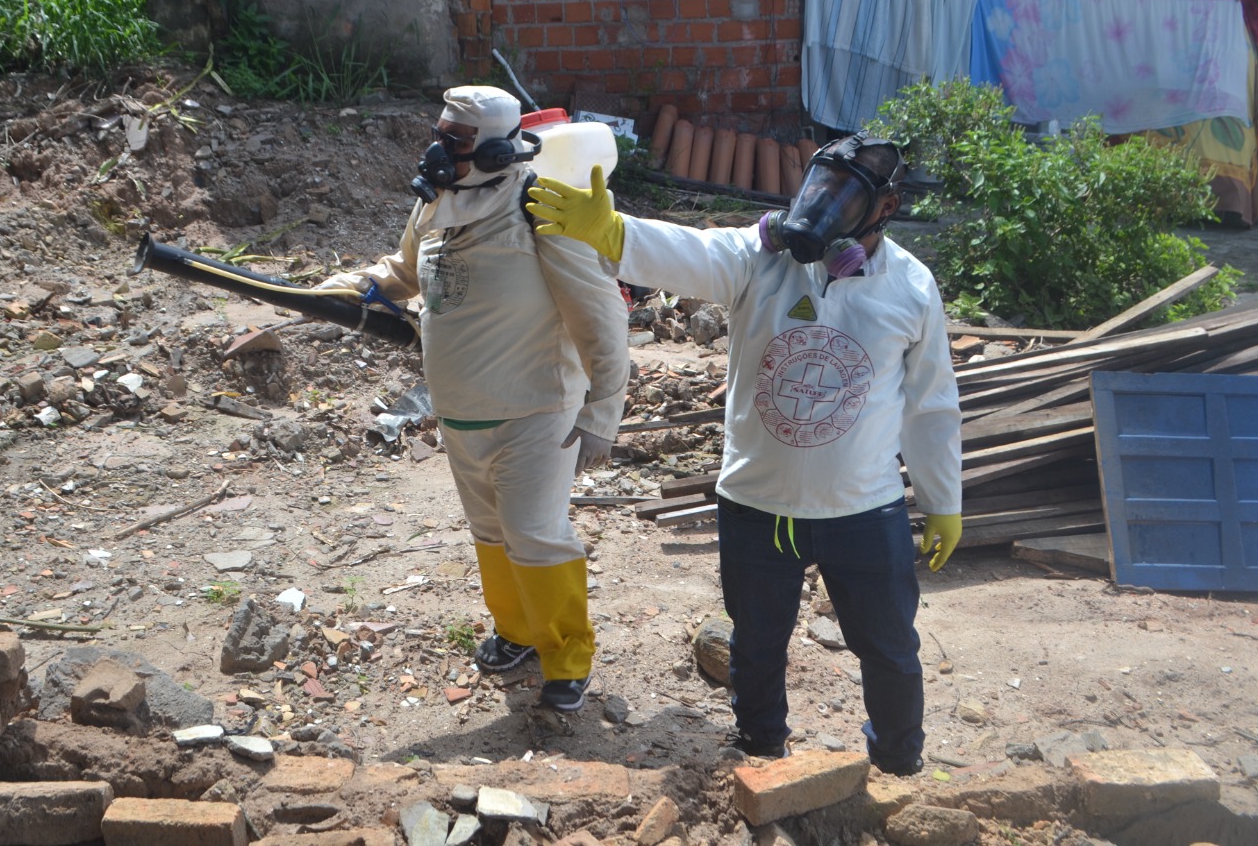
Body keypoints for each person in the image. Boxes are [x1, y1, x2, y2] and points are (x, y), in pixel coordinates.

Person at [526, 134, 962, 773]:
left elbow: (930, 405)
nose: (821, 207)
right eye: (819, 185)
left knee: (891, 648)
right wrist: (613, 232)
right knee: (757, 644)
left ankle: (899, 762)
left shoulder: (912, 287)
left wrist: (942, 499)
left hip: (864, 511)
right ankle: (760, 750)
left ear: (887, 207)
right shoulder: (759, 261)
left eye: (846, 197)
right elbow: (688, 253)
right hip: (759, 507)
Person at [315, 86, 629, 713]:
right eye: (439, 134)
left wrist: (602, 413)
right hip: (460, 410)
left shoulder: (540, 207)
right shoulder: (433, 208)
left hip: (538, 411)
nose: (438, 150)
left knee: (535, 533)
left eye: (453, 141)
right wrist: (346, 288)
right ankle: (516, 633)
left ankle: (567, 657)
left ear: (490, 148)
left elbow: (602, 316)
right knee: (490, 531)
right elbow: (402, 274)